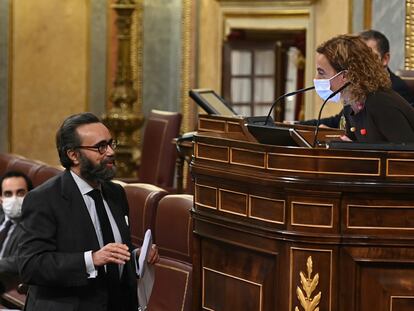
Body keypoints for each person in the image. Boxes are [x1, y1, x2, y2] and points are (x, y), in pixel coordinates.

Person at [18, 112, 159, 311]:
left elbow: (112, 251)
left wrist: (137, 257)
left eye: (111, 143)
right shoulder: (44, 199)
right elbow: (31, 265)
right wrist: (90, 260)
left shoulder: (116, 193)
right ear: (73, 155)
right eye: (100, 147)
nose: (110, 152)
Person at [309, 34, 414, 143]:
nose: (316, 78)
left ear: (345, 76)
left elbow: (406, 154)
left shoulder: (380, 103)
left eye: (321, 73)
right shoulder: (351, 105)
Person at [0, 171, 33, 289]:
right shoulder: (1, 217)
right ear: (1, 198)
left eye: (20, 193)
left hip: (7, 282)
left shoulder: (35, 226)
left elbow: (20, 260)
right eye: (8, 194)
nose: (14, 199)